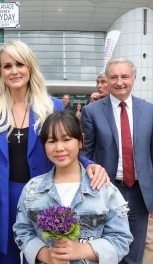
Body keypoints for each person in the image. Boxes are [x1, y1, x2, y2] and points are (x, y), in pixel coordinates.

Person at [0, 40, 109, 264]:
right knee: (5, 258)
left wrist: (89, 164)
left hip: (44, 198)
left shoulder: (52, 106)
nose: (14, 71)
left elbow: (65, 144)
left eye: (20, 64)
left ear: (30, 67)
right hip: (2, 199)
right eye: (7, 66)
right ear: (0, 72)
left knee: (42, 257)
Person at [13, 111, 133, 263]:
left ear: (81, 140)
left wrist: (81, 250)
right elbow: (22, 231)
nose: (59, 147)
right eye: (51, 141)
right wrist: (45, 254)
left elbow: (121, 238)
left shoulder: (104, 189)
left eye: (66, 139)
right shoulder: (32, 190)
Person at [81, 57, 153, 264]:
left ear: (134, 78)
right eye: (114, 77)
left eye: (124, 76)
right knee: (107, 248)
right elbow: (86, 154)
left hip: (140, 192)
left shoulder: (149, 111)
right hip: (106, 190)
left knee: (135, 250)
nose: (119, 82)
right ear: (106, 79)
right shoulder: (91, 111)